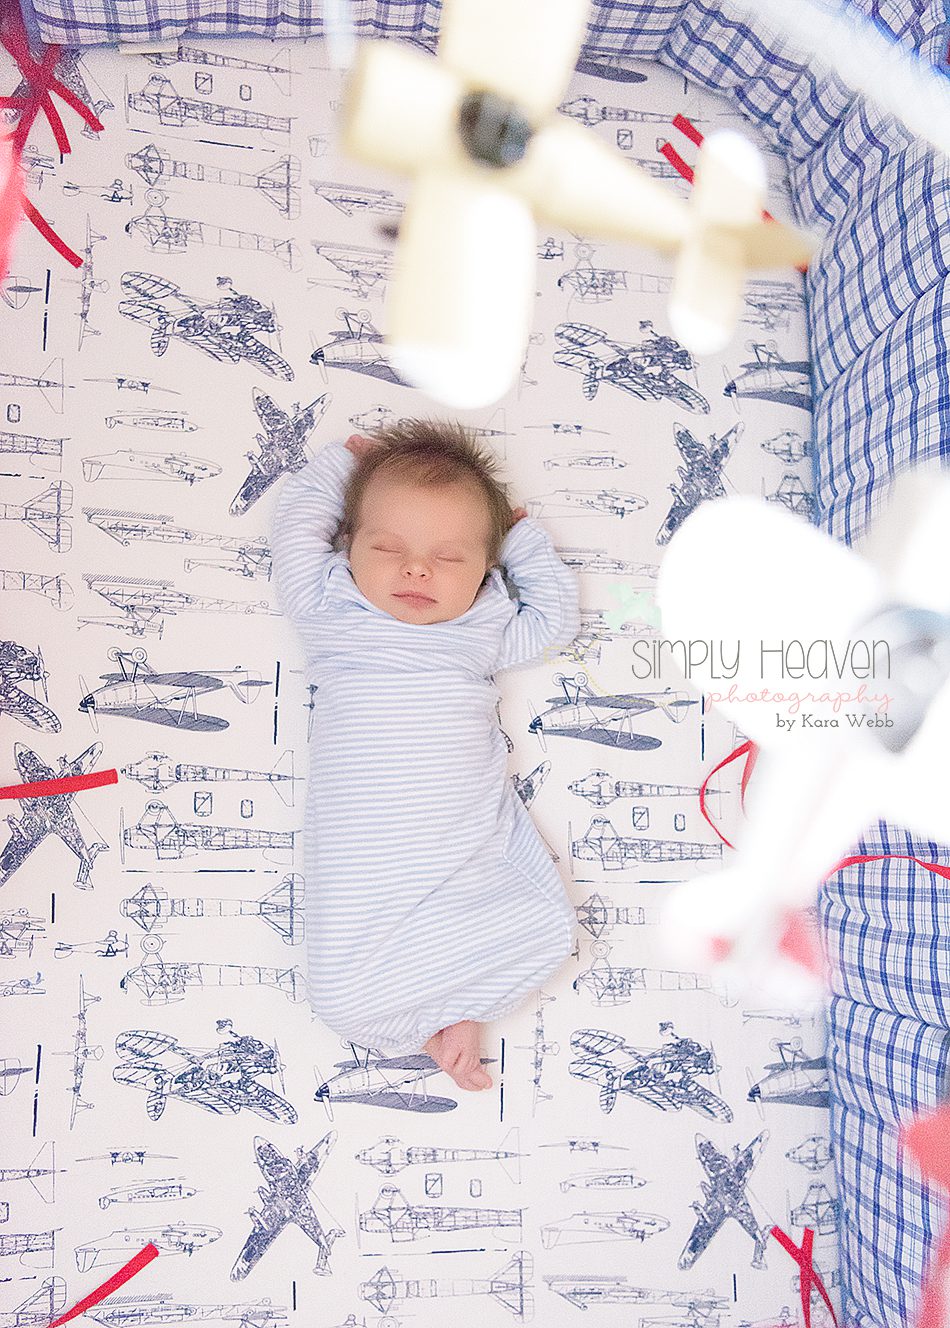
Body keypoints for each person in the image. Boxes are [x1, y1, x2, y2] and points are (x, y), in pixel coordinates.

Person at [271, 417, 579, 1092]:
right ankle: (450, 1013)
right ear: (349, 546)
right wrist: (338, 469)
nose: (416, 569)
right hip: (364, 846)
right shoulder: (331, 609)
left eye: (449, 558)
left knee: (537, 932)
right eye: (388, 547)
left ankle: (458, 1008)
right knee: (342, 998)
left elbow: (555, 620)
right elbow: (295, 536)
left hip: (453, 832)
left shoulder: (482, 628)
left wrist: (522, 539)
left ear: (484, 572)